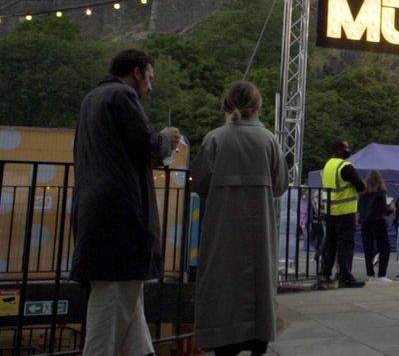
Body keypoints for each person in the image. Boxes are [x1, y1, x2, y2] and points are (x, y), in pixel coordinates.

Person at [71, 48, 181, 356]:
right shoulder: (122, 97)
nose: (150, 86)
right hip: (120, 220)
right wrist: (167, 139)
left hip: (96, 214)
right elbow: (144, 143)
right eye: (150, 77)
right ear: (137, 71)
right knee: (110, 310)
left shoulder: (92, 99)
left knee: (129, 307)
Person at [191, 82, 286, 356]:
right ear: (257, 107)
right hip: (260, 229)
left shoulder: (215, 139)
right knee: (259, 282)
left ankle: (223, 336)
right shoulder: (269, 140)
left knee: (222, 281)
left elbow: (199, 183)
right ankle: (258, 336)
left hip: (222, 228)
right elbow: (280, 185)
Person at [318, 139, 366, 288]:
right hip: (345, 211)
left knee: (330, 244)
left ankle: (325, 274)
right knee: (345, 244)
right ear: (339, 149)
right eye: (346, 147)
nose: (348, 150)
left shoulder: (327, 165)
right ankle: (345, 276)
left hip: (329, 210)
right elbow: (360, 186)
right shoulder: (346, 167)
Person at [359, 170, 394, 282]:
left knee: (368, 249)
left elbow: (359, 208)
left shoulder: (363, 192)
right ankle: (381, 275)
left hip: (365, 223)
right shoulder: (381, 191)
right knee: (384, 248)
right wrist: (391, 209)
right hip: (378, 222)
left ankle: (370, 275)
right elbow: (383, 209)